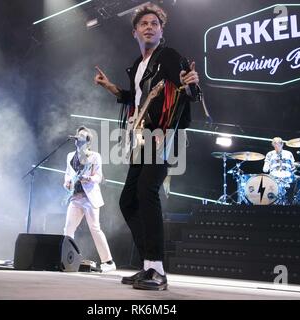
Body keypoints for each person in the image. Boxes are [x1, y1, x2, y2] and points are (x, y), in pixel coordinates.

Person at [94, 3, 199, 290]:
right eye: (144, 24)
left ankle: (157, 270)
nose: (149, 27)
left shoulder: (168, 56)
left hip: (164, 133)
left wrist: (192, 84)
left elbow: (185, 90)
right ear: (135, 32)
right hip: (143, 136)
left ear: (161, 30)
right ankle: (148, 265)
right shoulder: (138, 66)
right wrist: (111, 88)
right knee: (128, 201)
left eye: (155, 23)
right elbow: (139, 99)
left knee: (146, 190)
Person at [63, 126, 116, 273]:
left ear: (88, 141)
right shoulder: (69, 156)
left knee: (94, 228)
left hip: (89, 198)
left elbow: (99, 177)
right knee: (68, 228)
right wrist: (67, 182)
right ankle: (67, 258)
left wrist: (88, 178)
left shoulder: (94, 156)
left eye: (82, 137)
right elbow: (67, 173)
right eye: (77, 136)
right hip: (75, 197)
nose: (78, 139)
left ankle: (108, 262)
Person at [263, 137, 296, 204]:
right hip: (274, 178)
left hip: (288, 178)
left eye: (279, 143)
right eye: (275, 143)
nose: (277, 145)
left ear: (282, 144)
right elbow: (265, 169)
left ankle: (291, 201)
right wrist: (266, 166)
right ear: (272, 144)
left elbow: (293, 166)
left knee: (299, 179)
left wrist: (292, 170)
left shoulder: (288, 153)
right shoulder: (270, 154)